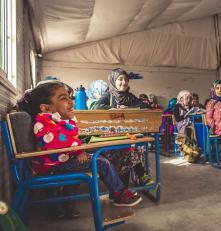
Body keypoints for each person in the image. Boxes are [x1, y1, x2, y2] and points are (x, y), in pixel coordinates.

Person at [16, 81, 142, 219]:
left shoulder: (56, 120)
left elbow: (71, 136)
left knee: (87, 163)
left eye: (70, 97)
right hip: (54, 165)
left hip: (60, 161)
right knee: (101, 162)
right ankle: (119, 194)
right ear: (46, 108)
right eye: (64, 98)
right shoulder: (42, 122)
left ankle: (66, 205)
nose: (71, 101)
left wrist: (71, 127)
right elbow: (57, 142)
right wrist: (78, 151)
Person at [94, 68, 152, 187]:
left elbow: (145, 106)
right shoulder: (108, 95)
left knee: (135, 147)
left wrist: (129, 108)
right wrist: (113, 109)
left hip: (127, 136)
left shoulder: (130, 97)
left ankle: (131, 180)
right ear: (113, 80)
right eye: (120, 79)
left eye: (126, 79)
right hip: (111, 138)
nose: (124, 82)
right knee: (126, 149)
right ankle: (138, 176)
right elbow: (96, 107)